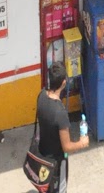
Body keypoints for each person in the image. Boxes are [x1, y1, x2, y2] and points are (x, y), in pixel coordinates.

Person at [35, 60, 89, 192]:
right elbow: (67, 147)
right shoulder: (60, 113)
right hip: (56, 165)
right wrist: (82, 143)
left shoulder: (41, 96)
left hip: (42, 157)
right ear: (64, 83)